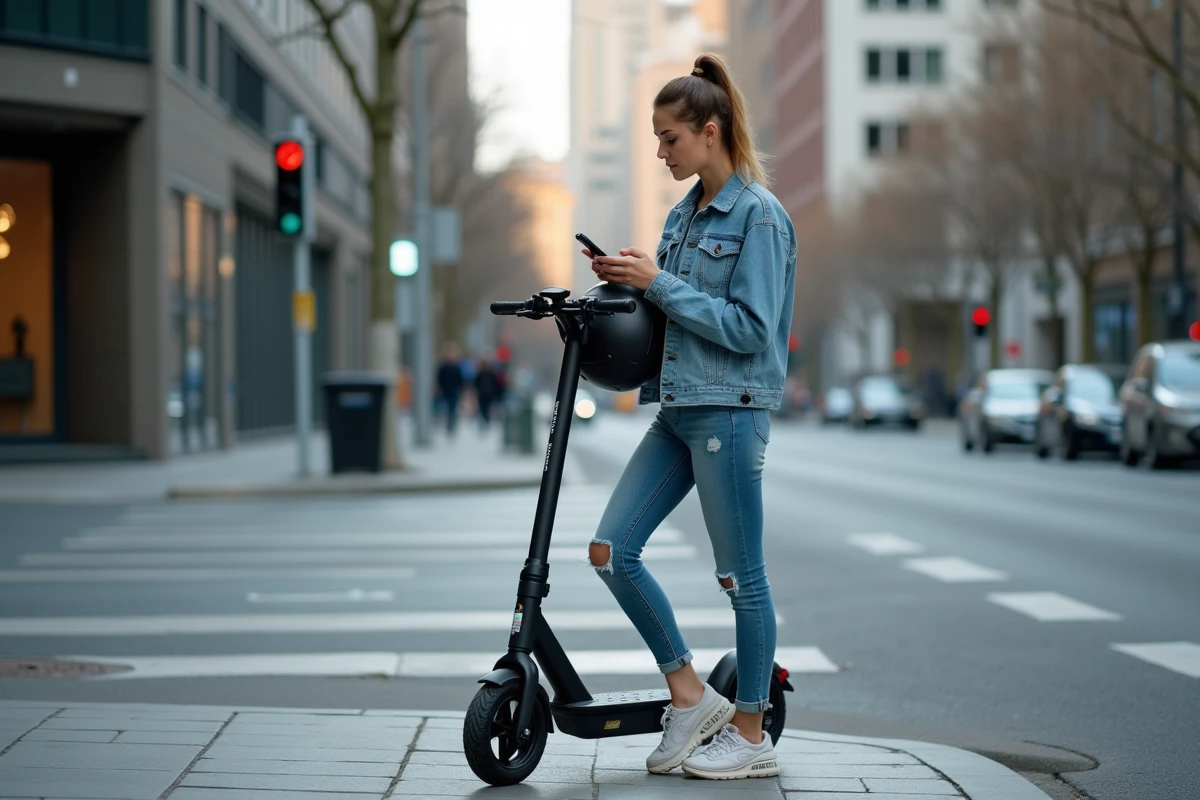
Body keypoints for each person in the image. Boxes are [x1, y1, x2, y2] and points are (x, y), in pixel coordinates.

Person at [581, 53, 796, 781]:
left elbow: (751, 328)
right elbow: (675, 314)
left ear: (709, 132)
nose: (660, 152)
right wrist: (631, 283)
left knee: (742, 578)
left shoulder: (759, 217)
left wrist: (662, 284)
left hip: (729, 412)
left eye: (669, 138)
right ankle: (689, 695)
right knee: (611, 550)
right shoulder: (683, 215)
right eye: (656, 138)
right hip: (677, 409)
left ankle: (752, 734)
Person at [435, 342, 465, 437]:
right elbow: (439, 379)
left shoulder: (456, 367)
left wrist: (460, 389)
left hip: (454, 391)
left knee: (452, 410)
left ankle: (451, 426)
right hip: (444, 391)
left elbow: (460, 380)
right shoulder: (442, 367)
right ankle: (445, 426)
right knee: (444, 409)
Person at [473, 358, 501, 430]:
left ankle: (485, 420)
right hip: (487, 394)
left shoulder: (482, 374)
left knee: (484, 408)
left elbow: (476, 384)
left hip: (484, 394)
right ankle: (486, 420)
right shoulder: (490, 374)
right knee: (486, 408)